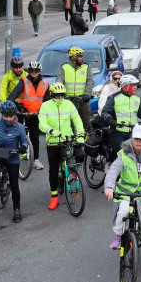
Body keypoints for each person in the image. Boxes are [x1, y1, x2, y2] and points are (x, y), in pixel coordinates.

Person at [103, 124, 141, 275]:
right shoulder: (123, 154)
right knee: (122, 212)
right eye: (136, 138)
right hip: (125, 193)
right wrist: (109, 186)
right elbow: (113, 171)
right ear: (132, 138)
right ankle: (118, 235)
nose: (138, 142)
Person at [39, 82, 85, 210]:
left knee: (74, 160)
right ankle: (54, 197)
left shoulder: (69, 104)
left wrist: (81, 135)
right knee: (53, 169)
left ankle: (71, 176)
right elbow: (41, 124)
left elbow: (77, 120)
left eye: (62, 95)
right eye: (57, 96)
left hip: (67, 139)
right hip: (53, 141)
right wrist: (50, 131)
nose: (60, 98)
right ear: (52, 95)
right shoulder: (45, 106)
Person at [7, 61, 50, 171]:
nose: (34, 72)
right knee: (18, 132)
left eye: (36, 71)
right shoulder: (24, 81)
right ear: (29, 71)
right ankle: (17, 154)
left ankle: (35, 159)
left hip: (36, 113)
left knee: (35, 136)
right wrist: (9, 104)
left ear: (39, 71)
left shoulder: (45, 83)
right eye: (31, 70)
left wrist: (45, 111)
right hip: (23, 111)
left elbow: (47, 100)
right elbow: (14, 94)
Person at [102, 74, 141, 158]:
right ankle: (112, 166)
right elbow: (105, 112)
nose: (135, 87)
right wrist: (111, 120)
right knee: (119, 151)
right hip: (117, 131)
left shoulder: (137, 98)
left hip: (132, 131)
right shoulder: (114, 98)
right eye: (133, 85)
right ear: (125, 86)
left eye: (136, 85)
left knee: (138, 151)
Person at [60, 47, 94, 133]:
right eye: (80, 57)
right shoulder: (64, 67)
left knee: (86, 123)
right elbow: (59, 80)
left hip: (82, 99)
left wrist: (87, 94)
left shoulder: (86, 67)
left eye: (83, 56)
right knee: (67, 123)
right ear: (73, 58)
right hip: (68, 100)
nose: (82, 59)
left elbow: (90, 81)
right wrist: (60, 93)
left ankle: (88, 143)